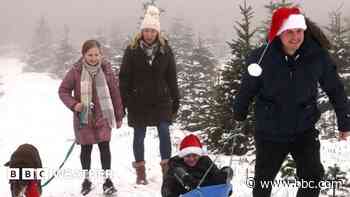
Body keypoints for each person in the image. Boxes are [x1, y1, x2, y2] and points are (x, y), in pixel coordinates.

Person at [233, 7, 350, 197]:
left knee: (312, 178)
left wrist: (344, 121)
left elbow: (335, 89)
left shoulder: (317, 56)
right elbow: (247, 88)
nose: (295, 37)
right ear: (279, 33)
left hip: (304, 130)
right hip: (270, 132)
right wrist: (239, 112)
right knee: (263, 182)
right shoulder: (261, 58)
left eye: (299, 31)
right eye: (289, 31)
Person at [119, 5, 180, 185]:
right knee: (139, 135)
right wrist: (124, 101)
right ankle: (140, 171)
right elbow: (124, 78)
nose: (149, 34)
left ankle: (167, 170)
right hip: (138, 101)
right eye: (146, 30)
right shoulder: (131, 51)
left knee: (164, 131)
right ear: (141, 31)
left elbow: (171, 77)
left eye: (153, 31)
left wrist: (175, 99)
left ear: (157, 32)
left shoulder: (166, 50)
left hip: (161, 100)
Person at [58, 39, 124, 195]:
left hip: (104, 116)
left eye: (96, 54)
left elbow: (115, 94)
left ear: (101, 55)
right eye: (90, 55)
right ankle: (86, 180)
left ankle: (107, 181)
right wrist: (75, 105)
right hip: (84, 118)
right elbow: (63, 91)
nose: (93, 58)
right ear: (83, 55)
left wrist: (119, 115)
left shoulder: (107, 70)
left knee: (105, 148)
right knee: (86, 150)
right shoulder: (75, 71)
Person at [161, 134, 233, 197]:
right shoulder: (176, 164)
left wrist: (225, 176)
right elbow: (166, 190)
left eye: (195, 155)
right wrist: (185, 179)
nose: (191, 159)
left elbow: (217, 177)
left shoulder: (205, 162)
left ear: (199, 155)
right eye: (187, 156)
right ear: (182, 156)